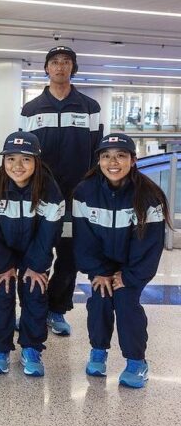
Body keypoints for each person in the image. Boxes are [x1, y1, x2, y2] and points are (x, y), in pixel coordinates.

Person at [73, 133, 171, 389]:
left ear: (133, 160)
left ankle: (136, 362)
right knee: (100, 300)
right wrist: (100, 271)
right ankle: (98, 351)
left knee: (126, 303)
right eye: (106, 156)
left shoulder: (149, 195)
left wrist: (128, 276)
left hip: (132, 267)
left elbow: (150, 245)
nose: (113, 162)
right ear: (99, 161)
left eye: (120, 156)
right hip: (101, 266)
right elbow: (84, 239)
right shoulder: (84, 192)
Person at [20, 46, 103, 337]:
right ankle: (31, 310)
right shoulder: (31, 109)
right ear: (46, 68)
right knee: (35, 255)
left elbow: (97, 152)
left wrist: (91, 190)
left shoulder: (89, 107)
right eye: (54, 62)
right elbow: (23, 155)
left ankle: (56, 309)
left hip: (74, 199)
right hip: (39, 197)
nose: (60, 67)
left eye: (66, 62)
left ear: (73, 68)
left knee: (69, 258)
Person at [0, 132, 64, 377]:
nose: (17, 166)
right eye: (11, 159)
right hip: (4, 248)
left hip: (35, 249)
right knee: (3, 291)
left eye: (25, 159)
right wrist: (1, 266)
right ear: (3, 160)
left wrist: (37, 266)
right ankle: (0, 349)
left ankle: (31, 348)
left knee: (35, 292)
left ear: (37, 161)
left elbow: (49, 233)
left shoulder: (50, 190)